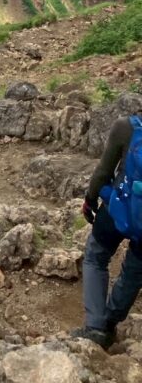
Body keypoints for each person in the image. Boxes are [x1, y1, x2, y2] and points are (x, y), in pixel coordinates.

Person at [73, 113, 142, 348]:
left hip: (117, 209)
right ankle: (110, 323)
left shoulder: (127, 128)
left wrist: (90, 199)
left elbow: (104, 170)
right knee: (134, 272)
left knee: (95, 257)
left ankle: (95, 326)